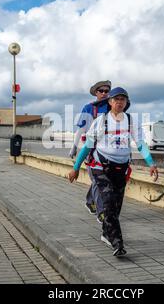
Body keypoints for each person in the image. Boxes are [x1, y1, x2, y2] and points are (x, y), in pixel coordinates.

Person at [68, 87, 158, 256]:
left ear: (127, 102)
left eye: (123, 99)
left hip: (121, 170)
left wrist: (151, 163)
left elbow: (140, 144)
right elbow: (87, 146)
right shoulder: (101, 121)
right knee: (108, 201)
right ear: (109, 102)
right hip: (100, 167)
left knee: (115, 207)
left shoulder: (131, 121)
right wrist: (75, 169)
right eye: (116, 99)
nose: (119, 102)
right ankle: (117, 243)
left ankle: (106, 234)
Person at [69, 81, 111, 222]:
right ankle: (102, 213)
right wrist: (74, 147)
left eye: (107, 90)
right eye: (101, 90)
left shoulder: (112, 107)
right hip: (91, 149)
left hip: (107, 150)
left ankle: (89, 201)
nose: (104, 93)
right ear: (96, 92)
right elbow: (81, 129)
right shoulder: (88, 108)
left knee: (100, 181)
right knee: (97, 180)